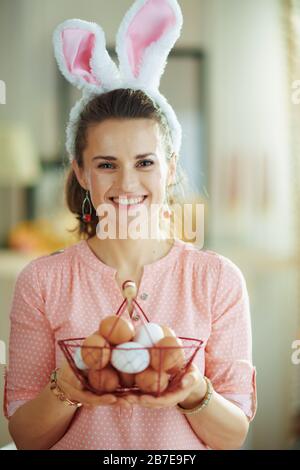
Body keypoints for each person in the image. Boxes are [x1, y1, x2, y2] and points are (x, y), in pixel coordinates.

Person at [4, 0, 257, 450]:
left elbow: (233, 435)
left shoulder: (218, 280)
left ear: (171, 168)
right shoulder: (41, 282)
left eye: (144, 162)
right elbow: (24, 437)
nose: (126, 184)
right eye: (106, 164)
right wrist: (66, 387)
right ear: (81, 172)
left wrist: (195, 391)